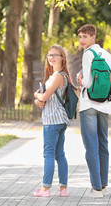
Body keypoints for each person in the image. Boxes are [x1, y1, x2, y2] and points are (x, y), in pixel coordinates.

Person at [76, 24, 111, 197]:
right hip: (104, 104)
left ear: (93, 37)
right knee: (103, 143)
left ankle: (96, 188)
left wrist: (80, 80)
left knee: (91, 146)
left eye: (85, 37)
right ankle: (103, 184)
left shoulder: (88, 54)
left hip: (89, 105)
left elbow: (88, 83)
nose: (82, 40)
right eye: (80, 37)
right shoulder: (106, 54)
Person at [33, 45, 72, 198]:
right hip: (58, 120)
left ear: (62, 57)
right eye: (49, 55)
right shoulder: (55, 75)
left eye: (55, 55)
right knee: (59, 154)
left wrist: (36, 95)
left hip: (52, 120)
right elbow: (44, 100)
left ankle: (45, 189)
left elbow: (43, 97)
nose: (52, 58)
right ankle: (63, 189)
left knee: (49, 154)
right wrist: (39, 100)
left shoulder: (58, 76)